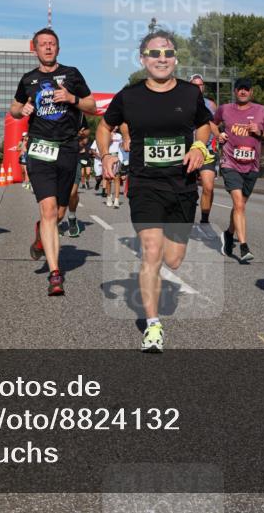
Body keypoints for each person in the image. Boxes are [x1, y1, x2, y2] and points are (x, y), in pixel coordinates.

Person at [97, 30, 212, 353]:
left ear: (175, 58)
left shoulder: (190, 94)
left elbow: (204, 123)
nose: (162, 59)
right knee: (150, 251)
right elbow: (104, 126)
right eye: (154, 54)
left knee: (173, 260)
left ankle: (158, 280)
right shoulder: (129, 96)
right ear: (143, 59)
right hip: (146, 184)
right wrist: (106, 154)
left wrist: (200, 145)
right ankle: (152, 325)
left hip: (182, 185)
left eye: (167, 53)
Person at [10, 28, 96, 296]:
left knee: (58, 213)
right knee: (48, 210)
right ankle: (55, 273)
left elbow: (92, 106)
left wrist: (72, 98)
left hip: (68, 149)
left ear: (58, 48)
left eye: (52, 44)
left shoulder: (72, 74)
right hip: (40, 149)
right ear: (34, 48)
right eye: (43, 44)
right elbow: (13, 108)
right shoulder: (28, 80)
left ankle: (40, 237)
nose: (48, 48)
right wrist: (20, 110)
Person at [215, 77, 264, 263]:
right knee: (239, 204)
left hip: (252, 166)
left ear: (251, 92)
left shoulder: (261, 111)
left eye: (246, 89)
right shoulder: (225, 109)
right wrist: (219, 134)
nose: (243, 92)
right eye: (240, 89)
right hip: (230, 163)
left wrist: (260, 132)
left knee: (239, 206)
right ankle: (243, 247)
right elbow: (211, 122)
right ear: (235, 91)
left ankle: (228, 234)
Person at [188, 74, 221, 223]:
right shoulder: (181, 102)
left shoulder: (211, 105)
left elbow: (214, 124)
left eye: (200, 85)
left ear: (203, 87)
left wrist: (219, 136)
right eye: (194, 85)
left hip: (206, 150)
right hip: (186, 151)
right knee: (186, 190)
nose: (198, 88)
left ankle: (204, 219)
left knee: (208, 187)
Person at [58, 119, 90, 237]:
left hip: (72, 158)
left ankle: (72, 217)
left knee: (72, 192)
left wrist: (80, 136)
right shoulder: (48, 114)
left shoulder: (77, 114)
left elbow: (85, 138)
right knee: (55, 193)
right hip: (53, 159)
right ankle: (56, 222)